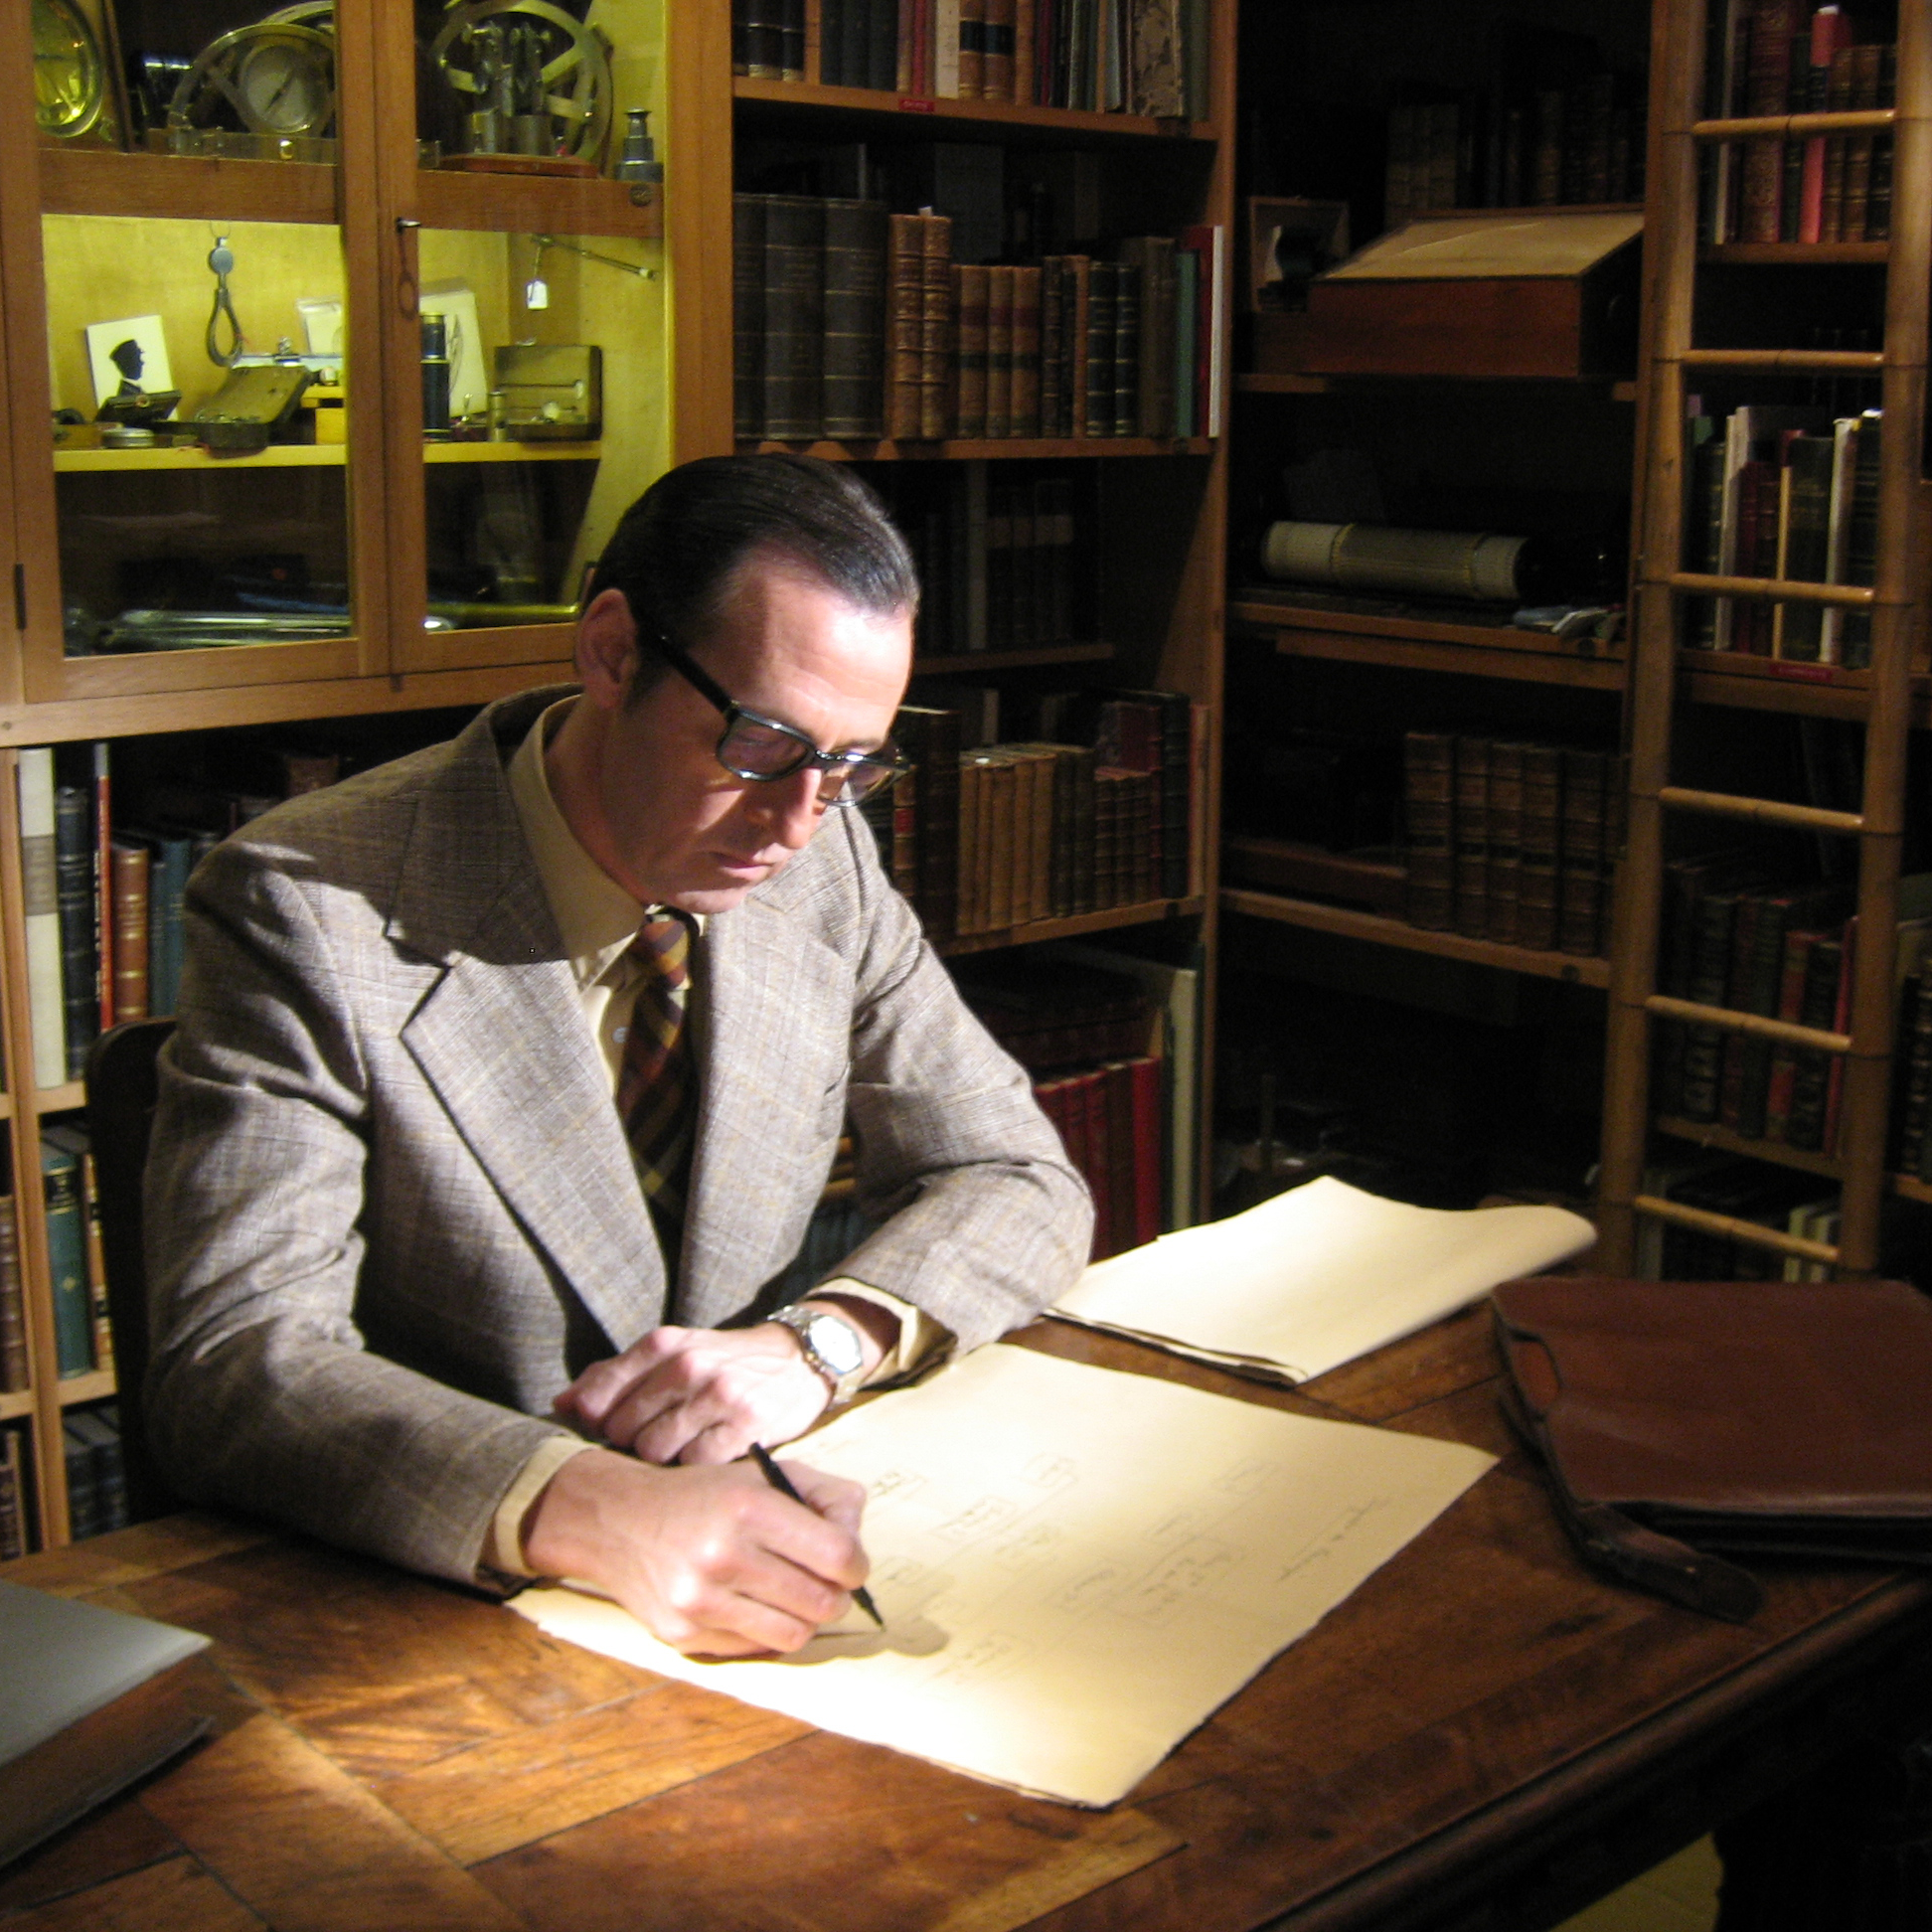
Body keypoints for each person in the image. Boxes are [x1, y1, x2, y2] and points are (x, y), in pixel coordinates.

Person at [144, 454, 1092, 1657]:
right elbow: (234, 1359)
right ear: (611, 653)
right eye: (760, 743)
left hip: (750, 1550)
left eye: (853, 764)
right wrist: (596, 1510)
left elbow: (1017, 1174)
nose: (798, 824)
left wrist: (816, 1346)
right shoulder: (308, 908)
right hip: (432, 1613)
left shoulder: (824, 862)